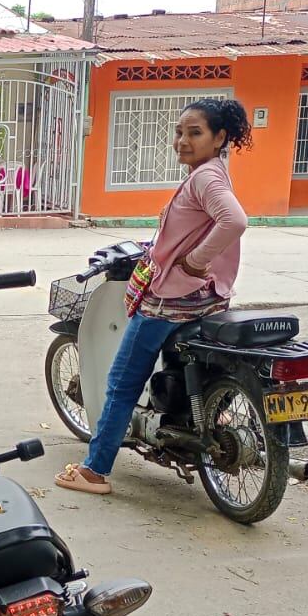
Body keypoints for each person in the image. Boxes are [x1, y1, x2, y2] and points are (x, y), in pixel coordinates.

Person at [55, 98, 253, 495]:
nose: (182, 140)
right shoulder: (212, 171)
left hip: (170, 304)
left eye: (194, 133)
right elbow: (197, 226)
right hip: (206, 299)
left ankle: (94, 470)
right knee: (181, 368)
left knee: (122, 383)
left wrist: (196, 260)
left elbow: (235, 220)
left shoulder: (205, 179)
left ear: (220, 138)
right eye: (179, 132)